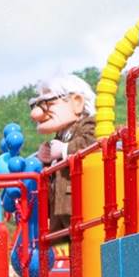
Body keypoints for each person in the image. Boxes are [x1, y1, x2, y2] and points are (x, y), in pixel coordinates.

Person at [29, 74, 98, 233]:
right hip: (60, 211)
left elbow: (92, 142)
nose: (37, 113)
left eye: (48, 102)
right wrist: (46, 159)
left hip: (80, 204)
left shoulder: (90, 125)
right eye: (37, 104)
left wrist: (64, 149)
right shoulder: (59, 136)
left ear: (77, 102)